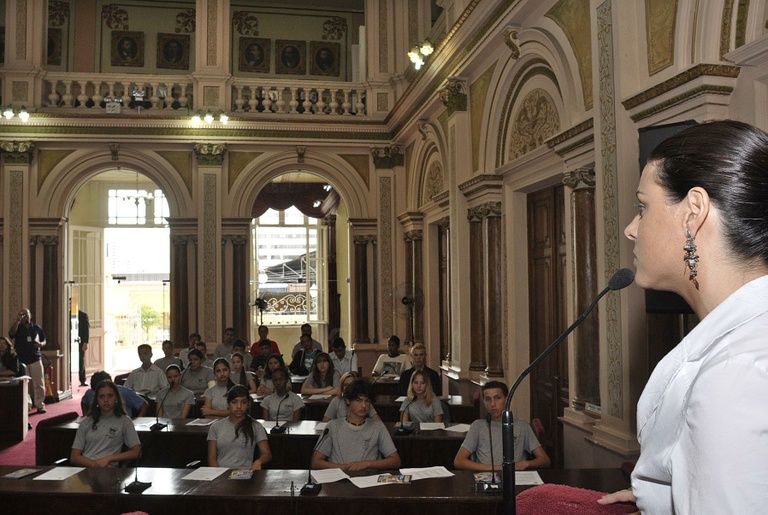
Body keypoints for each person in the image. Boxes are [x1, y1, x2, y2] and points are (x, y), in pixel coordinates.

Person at [598, 121, 768, 513]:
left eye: (643, 207)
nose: (631, 228)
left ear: (693, 212)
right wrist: (664, 497)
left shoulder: (736, 375)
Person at [454, 381, 550, 473]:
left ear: (506, 400)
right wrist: (496, 469)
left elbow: (545, 460)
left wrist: (527, 464)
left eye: (497, 398)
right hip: (487, 477)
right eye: (488, 399)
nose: (492, 404)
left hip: (514, 478)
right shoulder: (478, 426)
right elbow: (459, 461)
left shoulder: (521, 426)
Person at [311, 379, 401, 471]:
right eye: (358, 400)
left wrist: (367, 464)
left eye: (367, 401)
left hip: (368, 480)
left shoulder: (377, 426)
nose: (363, 405)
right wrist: (343, 467)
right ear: (348, 401)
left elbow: (395, 461)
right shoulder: (333, 426)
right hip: (339, 480)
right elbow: (316, 462)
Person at [70, 380, 141, 467]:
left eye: (110, 396)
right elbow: (74, 457)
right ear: (97, 400)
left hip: (110, 469)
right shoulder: (86, 422)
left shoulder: (125, 421)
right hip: (87, 467)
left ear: (116, 398)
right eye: (101, 396)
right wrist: (95, 465)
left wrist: (109, 458)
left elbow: (137, 452)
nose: (106, 400)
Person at [207, 385, 271, 470]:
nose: (239, 406)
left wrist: (258, 461)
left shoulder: (256, 426)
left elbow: (267, 454)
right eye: (234, 402)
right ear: (228, 404)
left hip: (245, 475)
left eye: (243, 402)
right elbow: (212, 459)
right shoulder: (215, 427)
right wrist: (218, 475)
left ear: (248, 404)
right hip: (221, 474)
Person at [9, 308, 47, 413]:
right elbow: (11, 334)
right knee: (25, 385)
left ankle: (40, 405)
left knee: (39, 383)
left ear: (31, 316)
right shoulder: (18, 328)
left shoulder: (36, 328)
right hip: (22, 361)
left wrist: (41, 344)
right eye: (22, 314)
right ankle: (27, 405)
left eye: (26, 314)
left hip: (35, 359)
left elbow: (44, 340)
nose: (25, 316)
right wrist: (17, 321)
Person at [81, 371, 148, 419]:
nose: (105, 399)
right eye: (101, 396)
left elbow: (144, 404)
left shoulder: (124, 392)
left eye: (109, 395)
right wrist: (86, 416)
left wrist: (138, 421)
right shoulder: (90, 393)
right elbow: (83, 401)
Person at [77, 310, 89, 386]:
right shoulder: (66, 315)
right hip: (69, 342)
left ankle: (82, 379)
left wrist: (85, 342)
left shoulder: (83, 315)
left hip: (80, 342)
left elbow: (86, 330)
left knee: (81, 360)